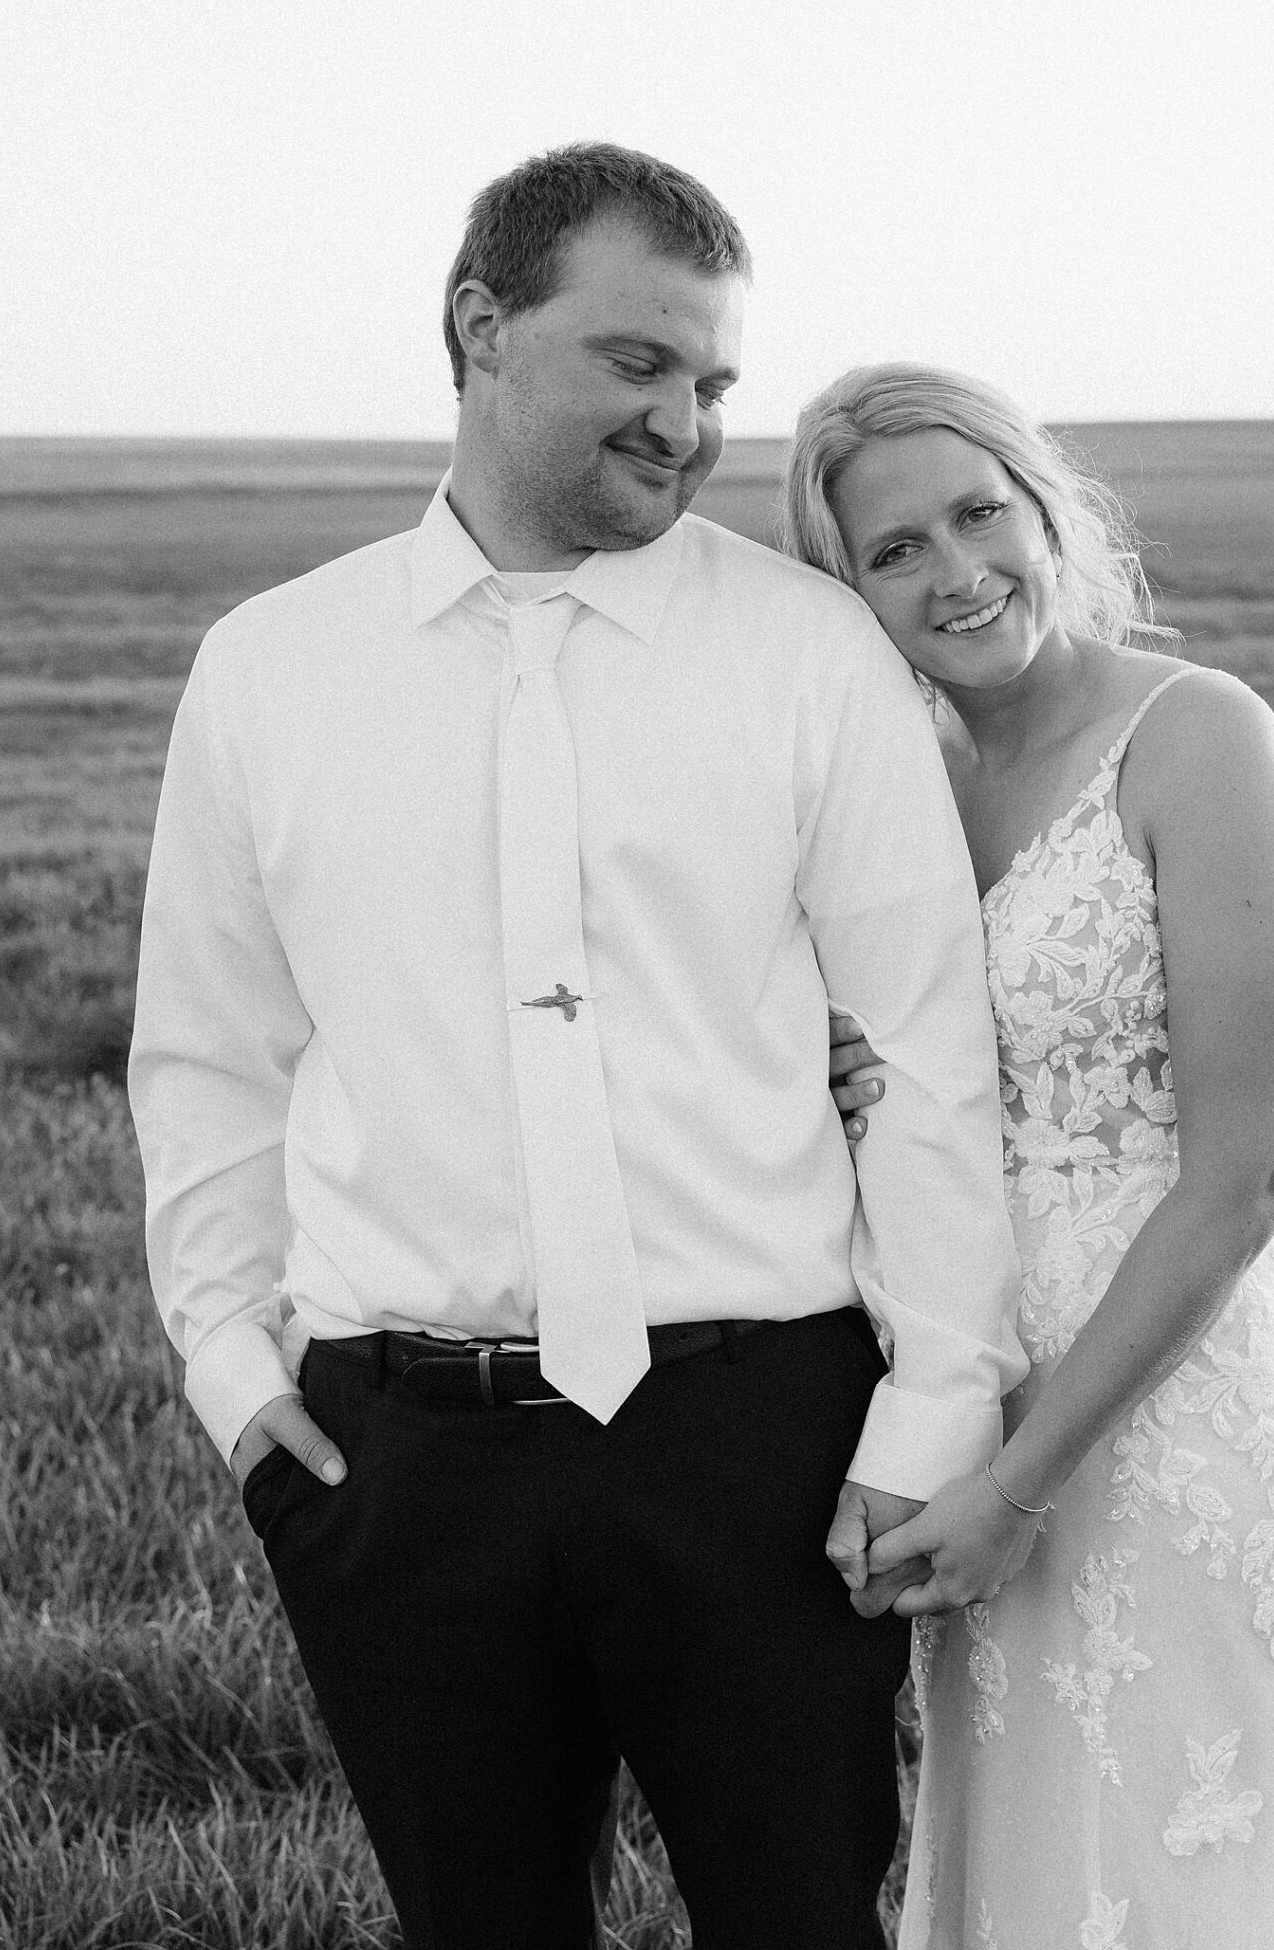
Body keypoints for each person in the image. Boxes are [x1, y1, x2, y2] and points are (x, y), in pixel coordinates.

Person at [127, 151, 1026, 1950]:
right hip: (399, 1466)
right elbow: (211, 1054)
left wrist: (934, 1403)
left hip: (767, 1446)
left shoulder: (807, 656)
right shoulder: (269, 670)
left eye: (711, 383)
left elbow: (929, 1047)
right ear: (479, 329)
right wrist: (234, 1376)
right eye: (639, 364)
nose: (686, 423)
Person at [785, 364, 1274, 1950]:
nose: (955, 573)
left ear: (1043, 507)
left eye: (977, 514)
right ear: (847, 593)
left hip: (1173, 1399)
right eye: (895, 552)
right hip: (968, 1377)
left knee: (1197, 1827)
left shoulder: (1197, 736)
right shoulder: (910, 791)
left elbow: (1249, 1176)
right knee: (1025, 1833)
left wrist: (1023, 1484)